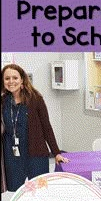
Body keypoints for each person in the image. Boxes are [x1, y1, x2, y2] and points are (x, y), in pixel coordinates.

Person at [1, 64, 69, 192]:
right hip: (12, 156)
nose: (11, 81)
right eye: (7, 78)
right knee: (15, 193)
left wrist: (56, 153)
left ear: (22, 79)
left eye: (15, 78)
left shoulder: (35, 98)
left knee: (40, 191)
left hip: (36, 154)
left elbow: (46, 127)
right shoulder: (3, 101)